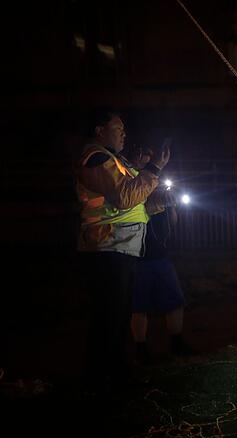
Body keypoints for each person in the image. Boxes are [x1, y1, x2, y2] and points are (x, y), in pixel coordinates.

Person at [75, 110, 170, 392]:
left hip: (120, 247)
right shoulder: (96, 157)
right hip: (106, 247)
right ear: (99, 130)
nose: (124, 134)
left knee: (117, 316)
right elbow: (125, 197)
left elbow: (136, 204)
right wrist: (153, 170)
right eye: (118, 129)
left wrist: (162, 201)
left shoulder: (114, 160)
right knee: (109, 316)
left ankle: (114, 373)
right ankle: (102, 378)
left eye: (124, 129)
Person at [129, 148, 190, 363]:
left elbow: (172, 223)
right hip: (138, 256)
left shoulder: (158, 186)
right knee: (139, 306)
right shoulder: (131, 182)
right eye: (144, 157)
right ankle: (141, 349)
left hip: (161, 255)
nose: (149, 161)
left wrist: (171, 205)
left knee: (174, 301)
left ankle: (176, 343)